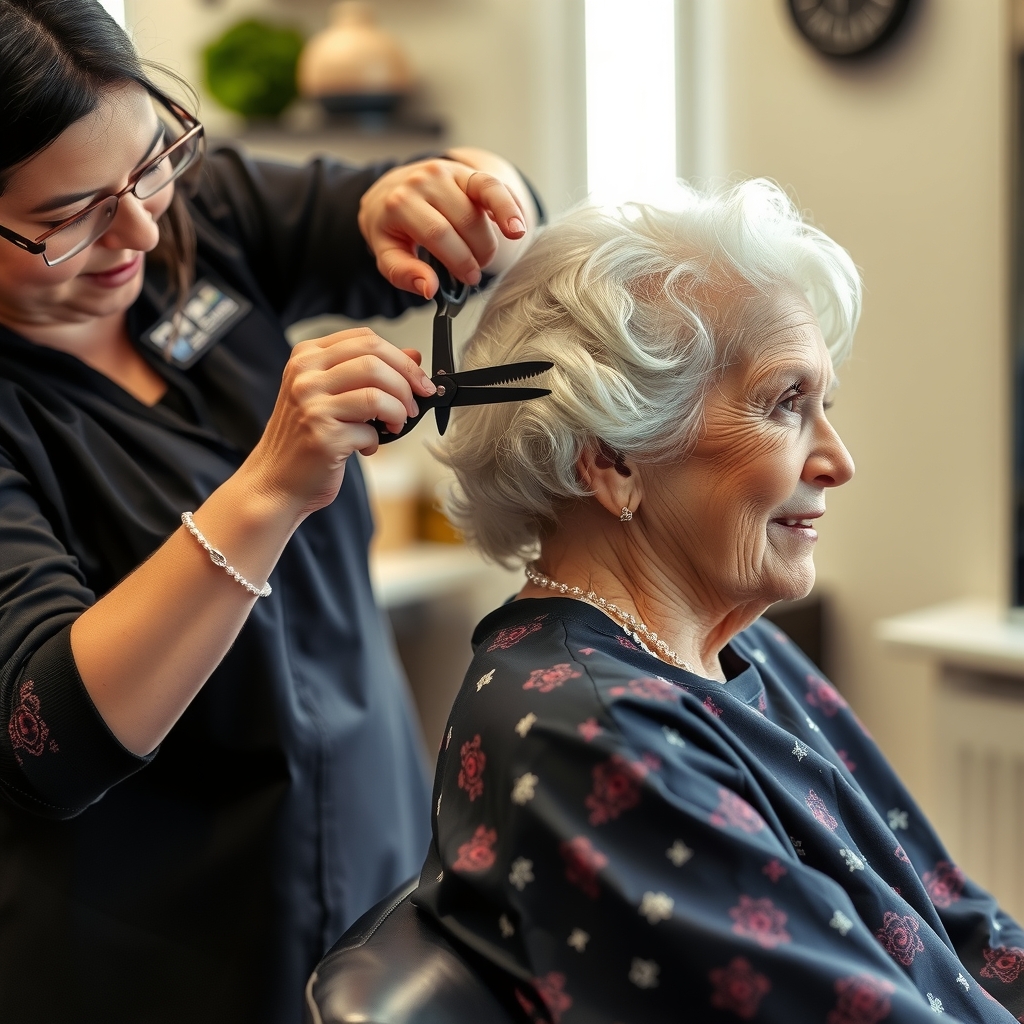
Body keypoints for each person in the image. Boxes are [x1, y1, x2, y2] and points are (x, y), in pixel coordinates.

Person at [0, 1, 540, 1021]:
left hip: (375, 877)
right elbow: (47, 738)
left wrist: (460, 194)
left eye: (152, 163)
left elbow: (486, 219)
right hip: (155, 963)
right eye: (73, 214)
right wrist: (265, 490)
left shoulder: (202, 211)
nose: (143, 230)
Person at [413, 182, 1024, 1023]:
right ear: (612, 458)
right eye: (786, 404)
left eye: (826, 406)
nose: (837, 461)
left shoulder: (738, 647)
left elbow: (957, 927)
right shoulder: (593, 733)